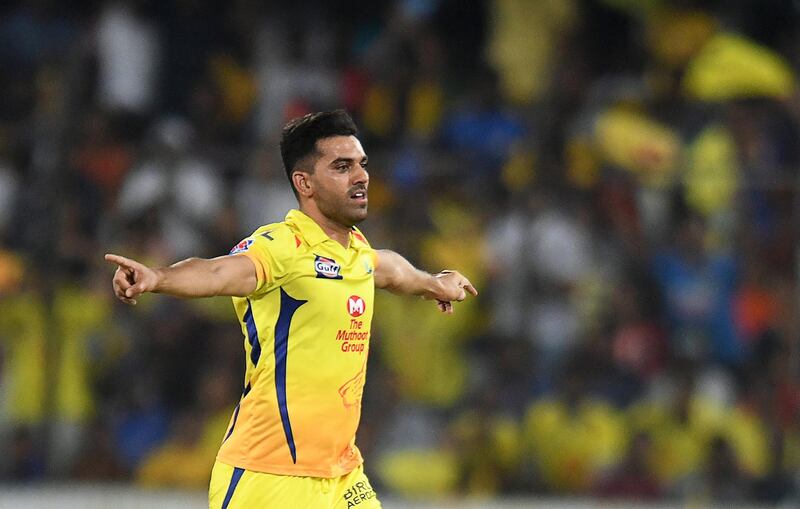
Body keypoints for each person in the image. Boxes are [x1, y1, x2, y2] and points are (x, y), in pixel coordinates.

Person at [104, 110, 477, 509]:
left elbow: (389, 269)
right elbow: (218, 271)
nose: (361, 176)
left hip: (341, 474)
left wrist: (433, 283)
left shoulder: (356, 252)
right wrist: (158, 278)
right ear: (305, 183)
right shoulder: (282, 246)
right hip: (270, 477)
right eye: (342, 167)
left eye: (362, 165)